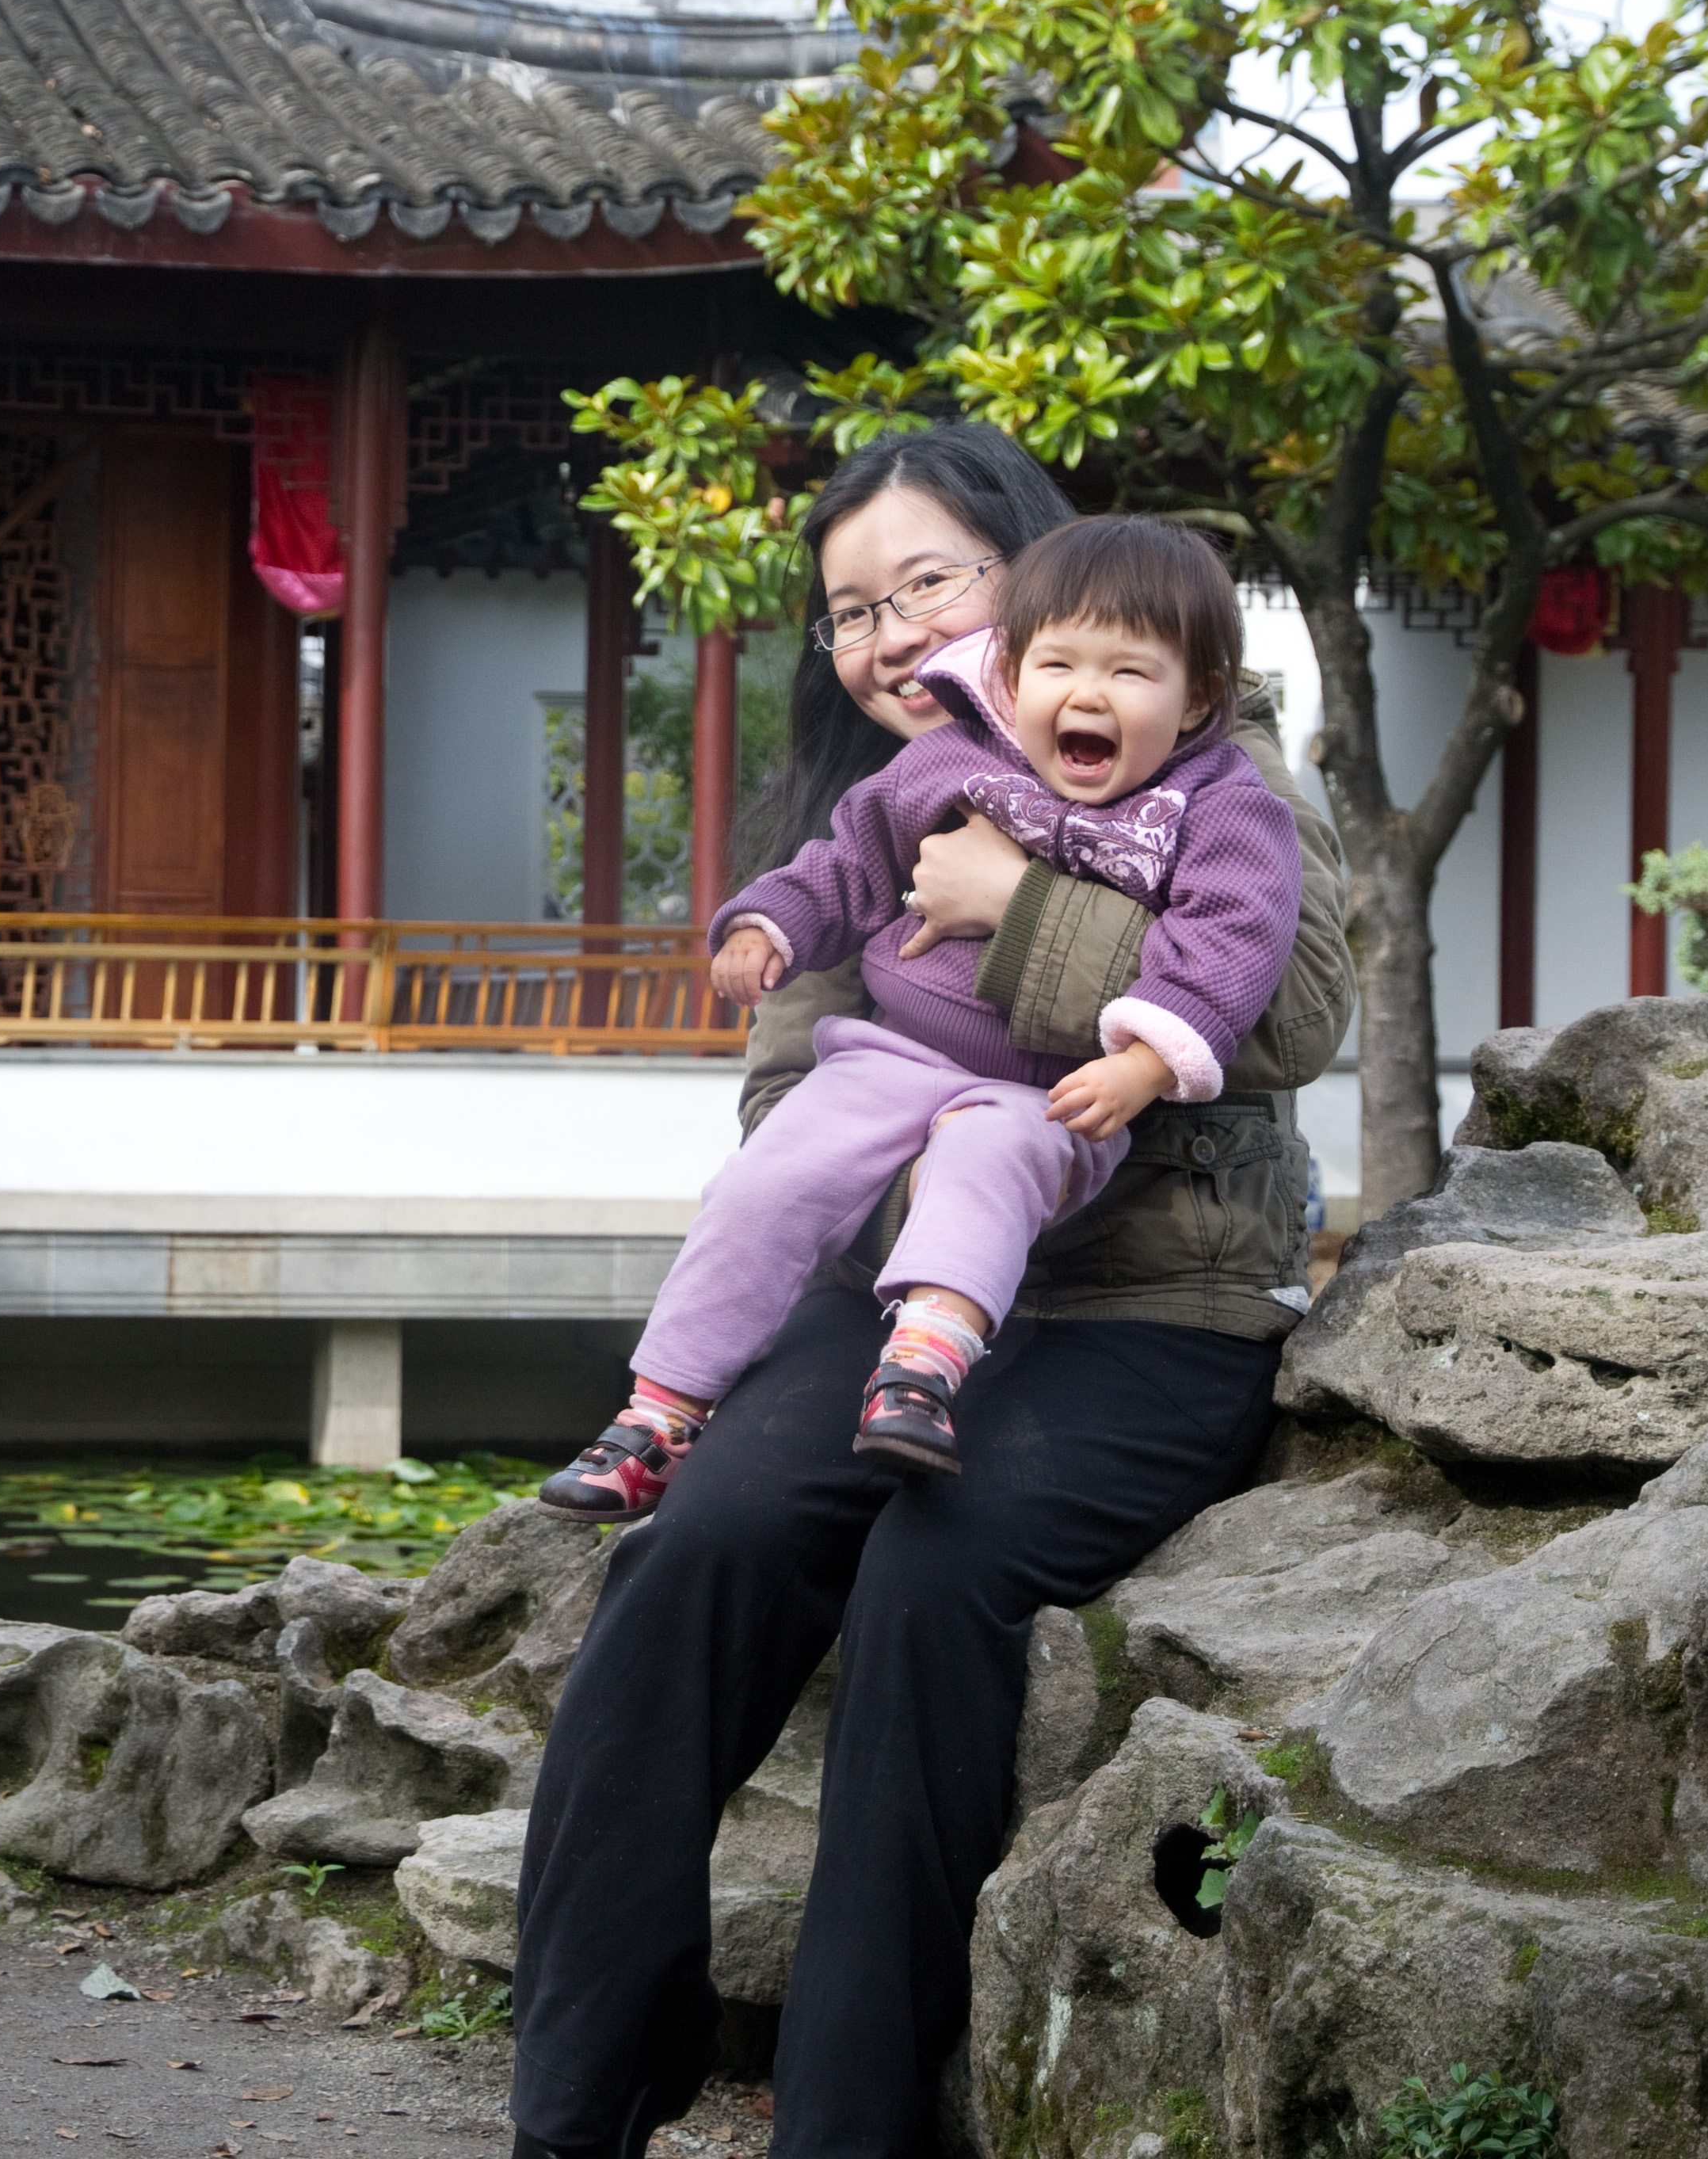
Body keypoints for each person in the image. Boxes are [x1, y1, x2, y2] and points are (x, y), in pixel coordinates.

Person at [507, 425, 1353, 2159]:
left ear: (1030, 579)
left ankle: (850, 2124)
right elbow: (787, 1102)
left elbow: (1287, 1020)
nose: (886, 636)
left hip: (1155, 1303)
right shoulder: (881, 803)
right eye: (848, 611)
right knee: (698, 1547)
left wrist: (1019, 903)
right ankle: (578, 2100)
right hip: (907, 1301)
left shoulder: (1212, 762)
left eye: (925, 585)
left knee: (931, 1577)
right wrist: (939, 1196)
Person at [537, 517, 1302, 1509]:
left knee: (991, 1159)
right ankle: (662, 1410)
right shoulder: (954, 759)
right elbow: (849, 858)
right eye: (1058, 665)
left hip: (1044, 1088)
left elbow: (1234, 940)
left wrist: (1145, 1061)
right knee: (771, 1177)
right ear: (1009, 674)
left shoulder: (1224, 804)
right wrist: (770, 921)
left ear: (1196, 697)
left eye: (1129, 673)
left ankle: (920, 1374)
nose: (1086, 695)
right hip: (892, 1058)